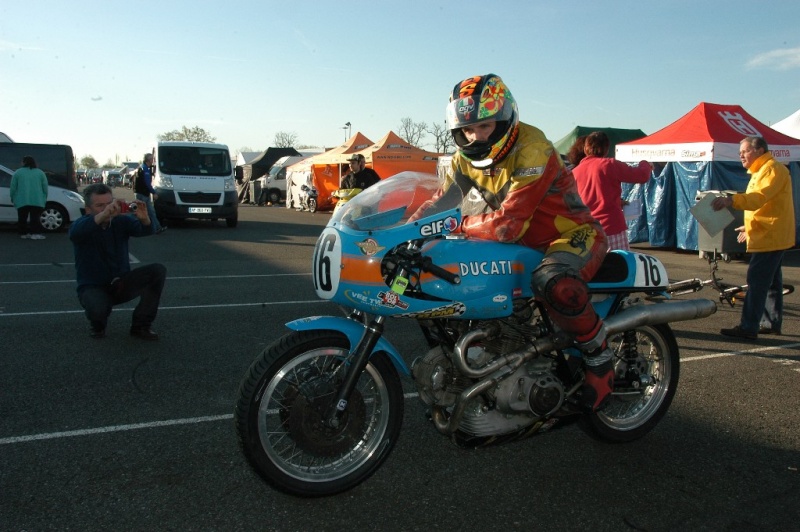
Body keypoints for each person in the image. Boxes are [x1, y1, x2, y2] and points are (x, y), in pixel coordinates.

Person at [413, 74, 613, 412]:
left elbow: (508, 226)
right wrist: (407, 231)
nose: (476, 136)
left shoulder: (533, 148)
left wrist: (457, 225)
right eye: (467, 129)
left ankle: (600, 358)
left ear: (505, 117)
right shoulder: (464, 159)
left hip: (569, 235)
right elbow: (440, 202)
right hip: (518, 243)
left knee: (555, 283)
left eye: (486, 125)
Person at [711, 136, 795, 340]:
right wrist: (748, 226)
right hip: (770, 233)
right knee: (772, 283)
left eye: (745, 151)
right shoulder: (762, 170)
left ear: (759, 150)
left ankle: (748, 327)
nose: (741, 155)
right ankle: (771, 322)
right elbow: (766, 205)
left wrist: (731, 200)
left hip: (771, 236)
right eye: (740, 152)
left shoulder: (772, 169)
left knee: (757, 281)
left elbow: (759, 198)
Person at [69, 183, 167, 340]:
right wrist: (104, 214)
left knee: (157, 271)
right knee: (98, 309)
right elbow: (75, 233)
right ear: (88, 209)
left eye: (109, 203)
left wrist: (145, 219)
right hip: (93, 286)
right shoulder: (82, 225)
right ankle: (98, 324)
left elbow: (146, 230)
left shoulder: (120, 222)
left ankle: (141, 326)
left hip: (120, 283)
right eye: (100, 205)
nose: (107, 208)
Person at [571, 131, 652, 250]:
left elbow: (585, 198)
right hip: (611, 228)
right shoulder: (609, 165)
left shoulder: (575, 172)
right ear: (606, 149)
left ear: (585, 148)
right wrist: (645, 163)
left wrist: (616, 201)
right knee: (618, 266)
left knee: (593, 268)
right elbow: (642, 176)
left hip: (586, 230)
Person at [10, 155, 48, 240]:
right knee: (35, 217)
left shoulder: (18, 173)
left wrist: (12, 196)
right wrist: (44, 196)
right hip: (37, 199)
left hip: (21, 199)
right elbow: (45, 187)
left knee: (22, 217)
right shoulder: (40, 173)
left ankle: (23, 233)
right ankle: (35, 233)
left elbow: (13, 187)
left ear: (24, 162)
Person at [134, 153, 165, 233]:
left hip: (140, 193)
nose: (153, 161)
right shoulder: (146, 169)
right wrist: (153, 192)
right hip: (143, 193)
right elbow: (147, 183)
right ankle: (155, 228)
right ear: (149, 160)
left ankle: (156, 228)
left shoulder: (141, 168)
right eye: (152, 159)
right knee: (148, 212)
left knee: (147, 212)